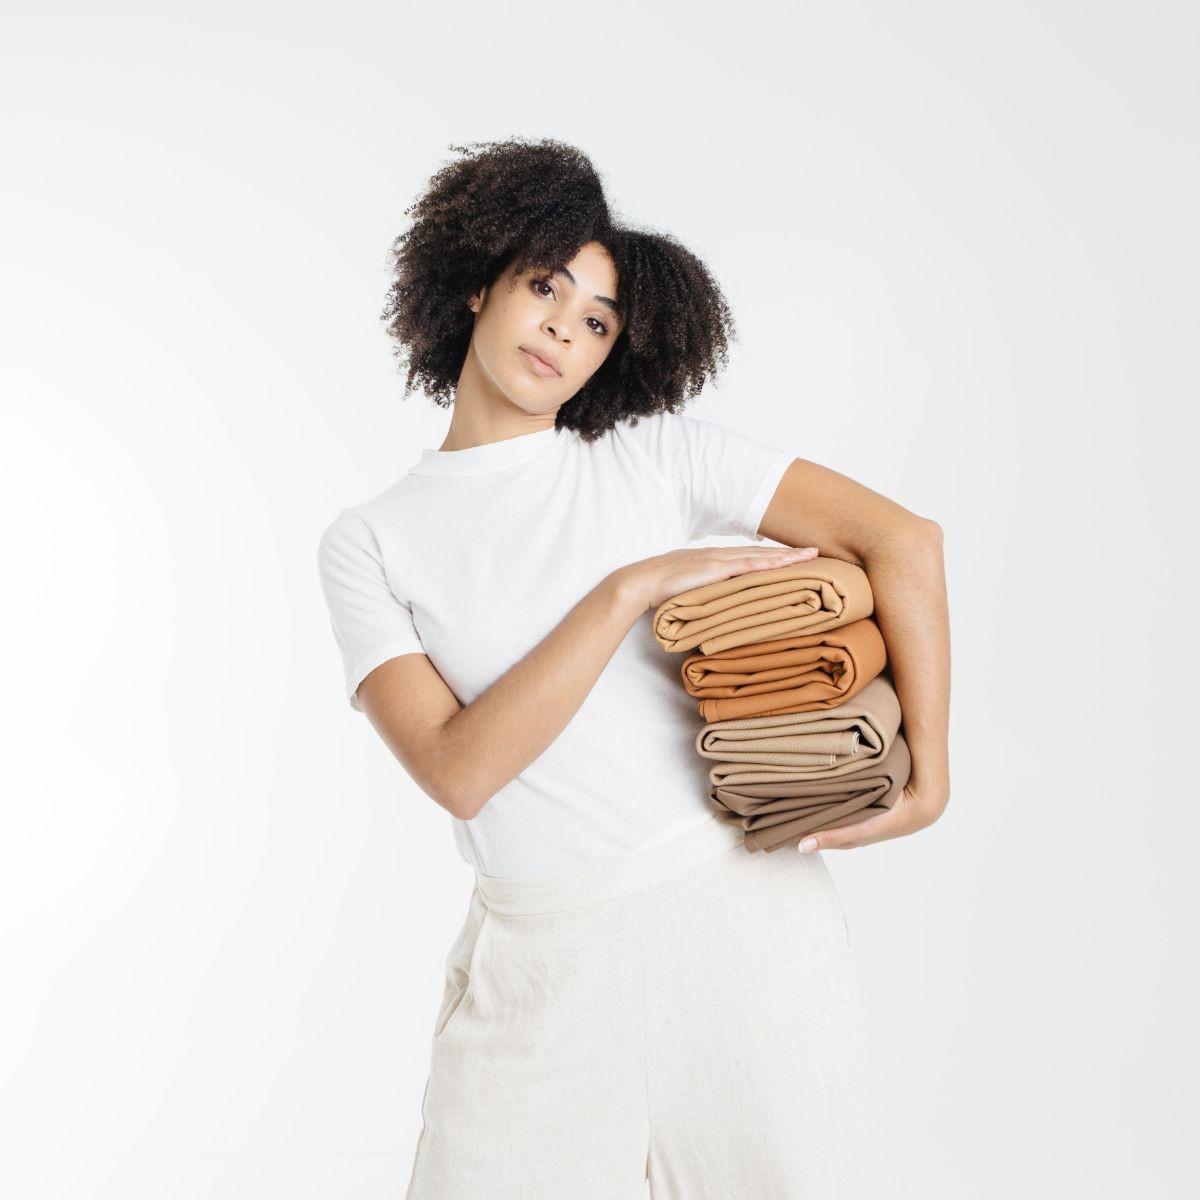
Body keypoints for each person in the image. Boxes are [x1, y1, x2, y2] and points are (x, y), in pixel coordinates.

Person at [316, 137, 951, 1199]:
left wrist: (930, 780)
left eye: (599, 318)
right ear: (474, 284)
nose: (567, 323)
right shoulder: (371, 539)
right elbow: (457, 769)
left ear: (617, 350)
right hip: (539, 962)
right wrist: (628, 590)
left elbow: (905, 540)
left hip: (738, 926)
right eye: (545, 284)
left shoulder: (660, 457)